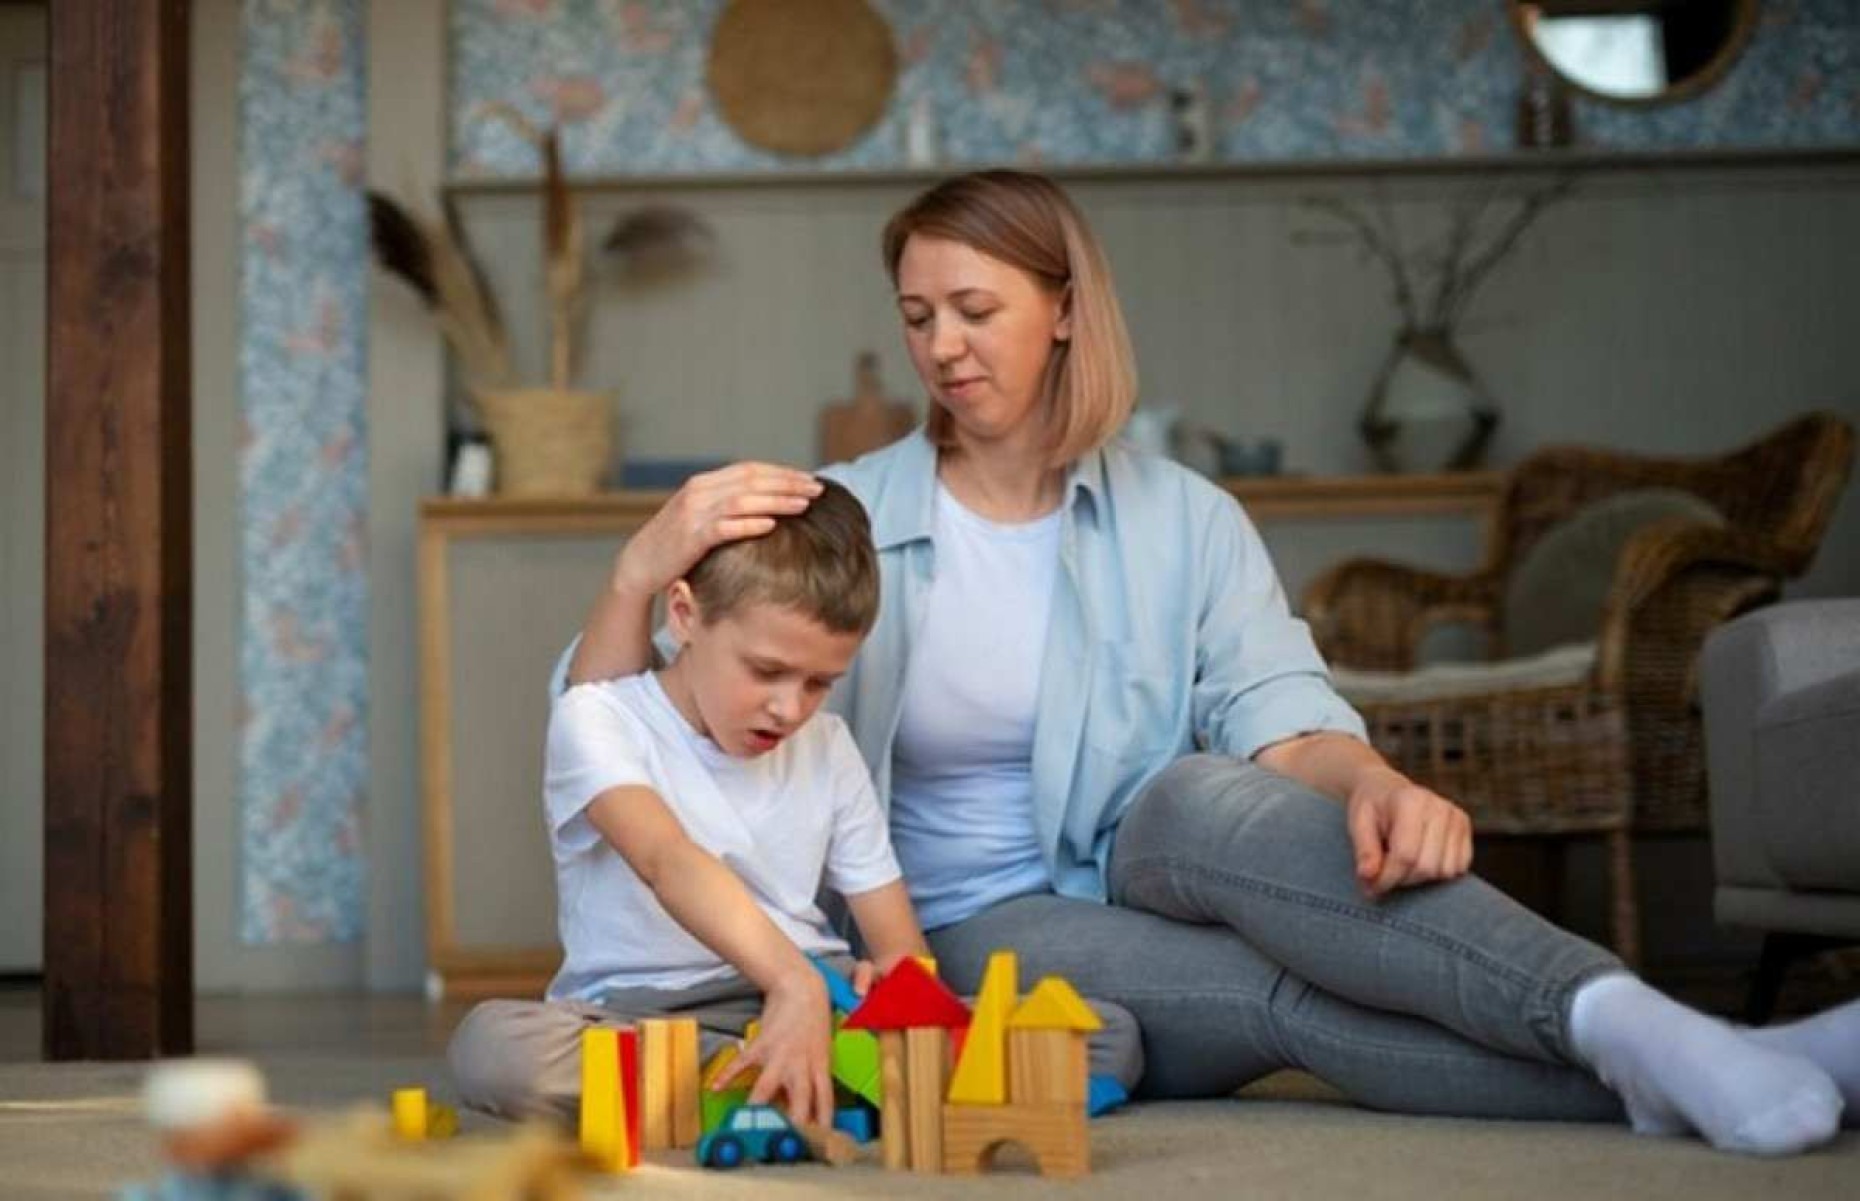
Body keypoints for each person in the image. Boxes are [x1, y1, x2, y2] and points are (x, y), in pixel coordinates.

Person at [550, 169, 1859, 1156]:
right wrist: (632, 566)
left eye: (975, 308)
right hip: (954, 925)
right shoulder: (838, 509)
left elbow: (1277, 711)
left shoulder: (1181, 516)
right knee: (1276, 996)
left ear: (1064, 311)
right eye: (917, 316)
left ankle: (1649, 1031)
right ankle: (1687, 1053)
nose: (943, 346)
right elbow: (619, 707)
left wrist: (1368, 785)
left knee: (1207, 790)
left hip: (1147, 850)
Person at [447, 479, 1143, 1126]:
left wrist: (895, 993)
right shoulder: (597, 717)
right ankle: (814, 1083)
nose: (789, 708)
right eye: (767, 671)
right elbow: (667, 858)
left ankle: (785, 1084)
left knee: (1107, 1034)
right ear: (685, 614)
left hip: (823, 993)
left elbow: (900, 944)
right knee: (495, 1048)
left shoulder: (829, 745)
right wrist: (789, 985)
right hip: (648, 1013)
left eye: (819, 682)